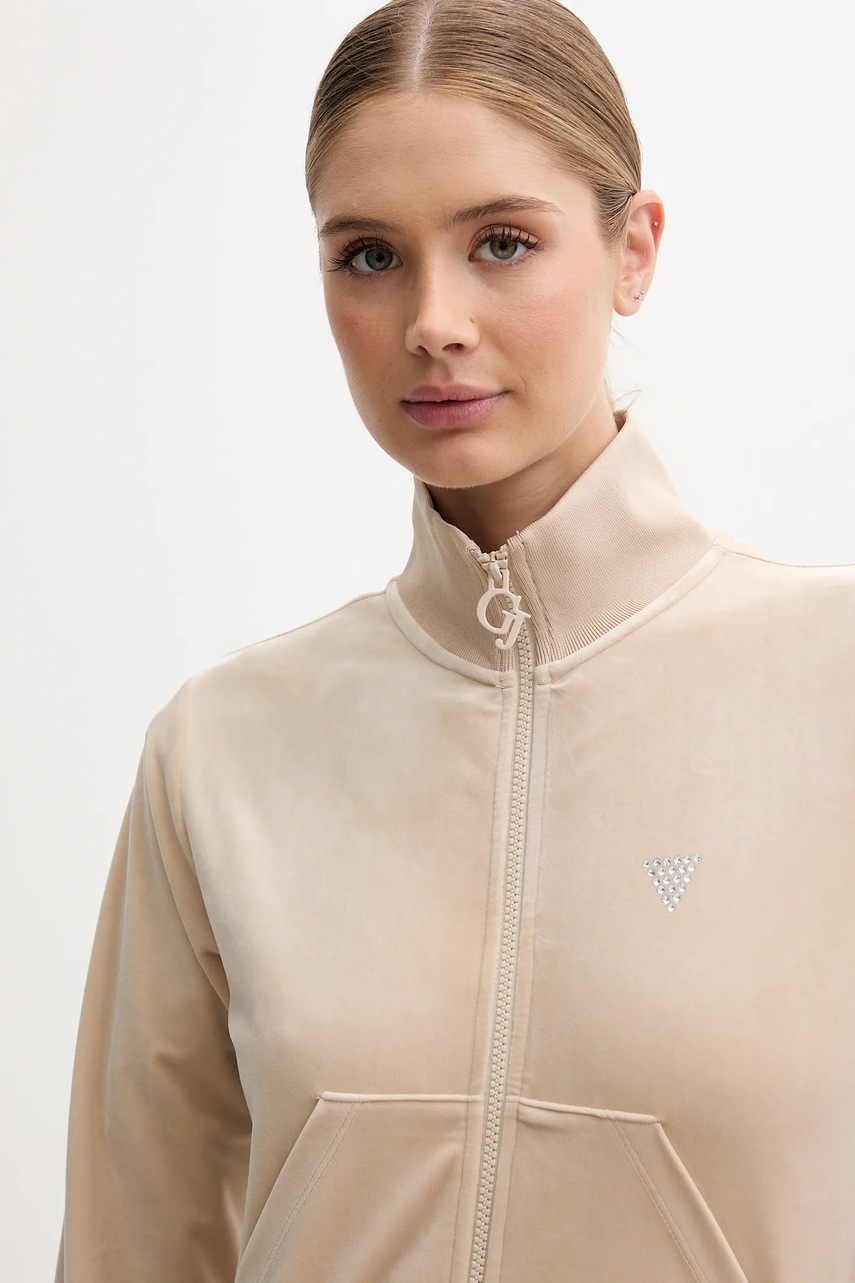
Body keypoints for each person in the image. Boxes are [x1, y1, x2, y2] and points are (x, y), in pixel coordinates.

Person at [54, 2, 855, 1281]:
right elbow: (132, 1248)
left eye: (501, 242)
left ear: (633, 250)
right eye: (369, 255)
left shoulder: (830, 688)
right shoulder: (220, 750)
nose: (433, 319)